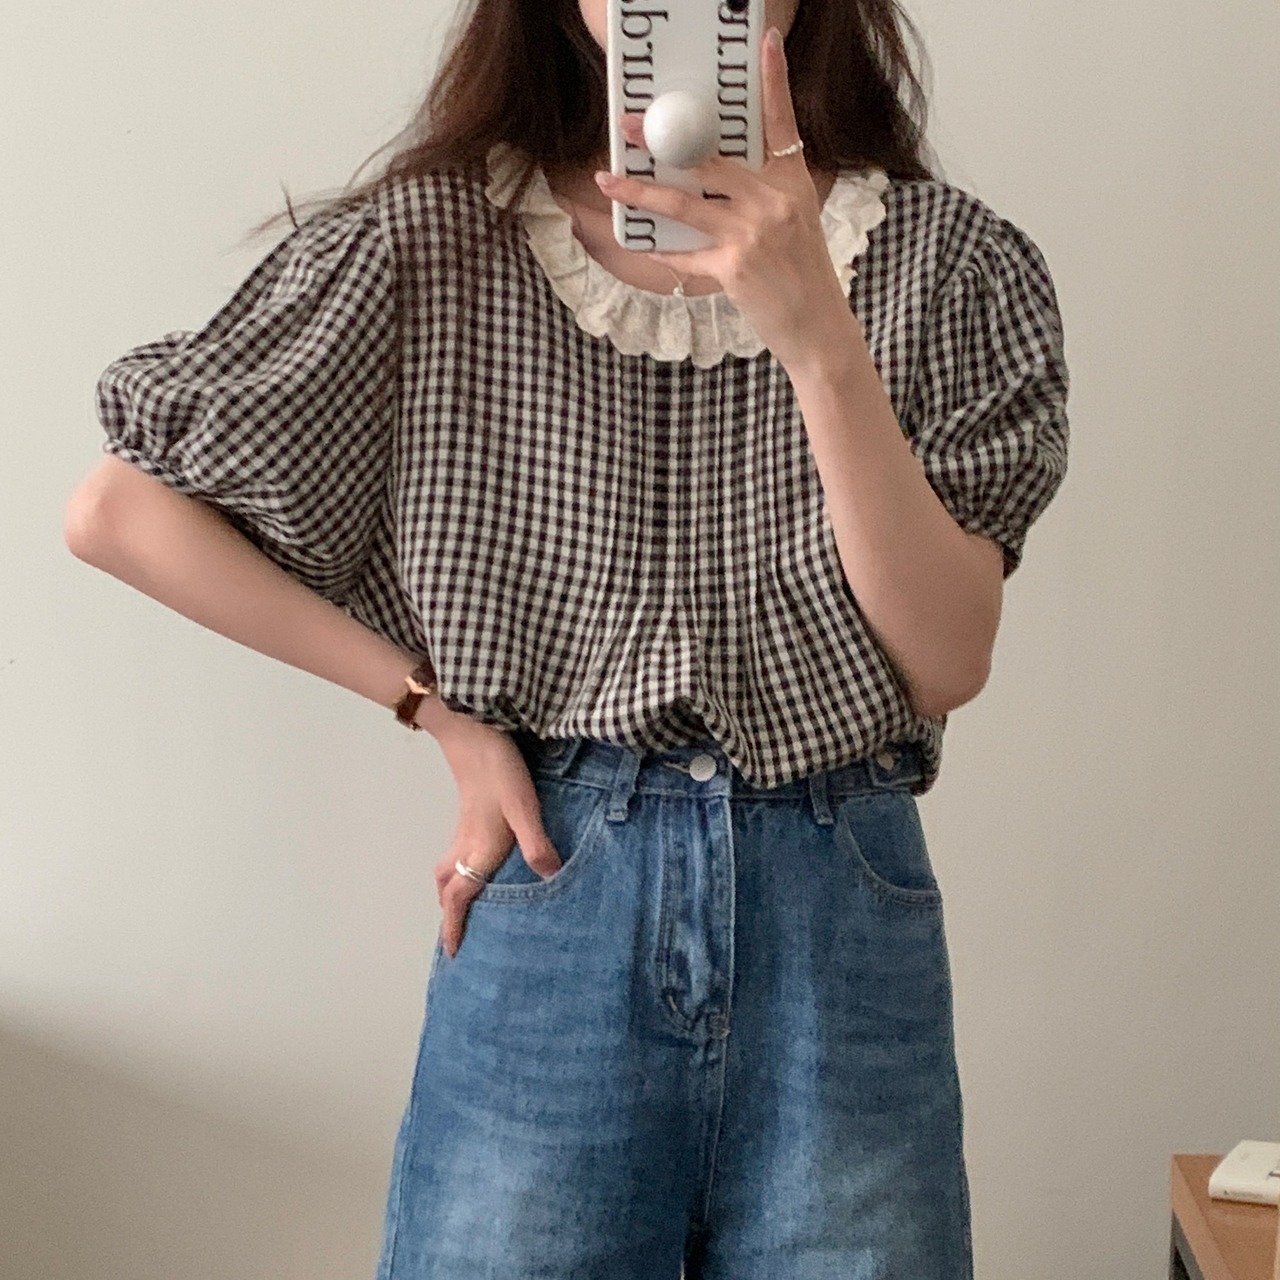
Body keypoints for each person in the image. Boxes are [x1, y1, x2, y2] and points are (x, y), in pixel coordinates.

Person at [64, 0, 1070, 1275]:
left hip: (838, 901)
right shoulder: (431, 244)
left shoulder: (948, 262)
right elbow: (121, 512)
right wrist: (435, 710)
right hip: (560, 886)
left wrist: (816, 328)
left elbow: (946, 659)